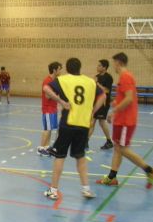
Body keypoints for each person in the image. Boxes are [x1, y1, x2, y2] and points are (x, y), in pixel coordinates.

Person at [43, 57, 106, 200]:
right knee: (80, 157)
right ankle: (86, 189)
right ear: (80, 67)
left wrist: (61, 101)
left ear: (67, 68)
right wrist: (92, 112)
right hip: (83, 125)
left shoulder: (64, 80)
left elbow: (46, 88)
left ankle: (53, 190)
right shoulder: (90, 81)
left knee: (60, 156)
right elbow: (103, 95)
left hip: (68, 123)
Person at [97, 52, 153, 188]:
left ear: (118, 63)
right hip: (121, 120)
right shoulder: (124, 77)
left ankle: (149, 170)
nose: (113, 66)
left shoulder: (126, 76)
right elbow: (124, 97)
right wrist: (115, 103)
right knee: (117, 148)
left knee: (122, 149)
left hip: (126, 120)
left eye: (114, 63)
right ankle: (112, 177)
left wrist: (113, 111)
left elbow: (129, 98)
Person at [87, 59, 114, 151]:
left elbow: (106, 90)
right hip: (96, 102)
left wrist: (97, 83)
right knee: (97, 122)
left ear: (104, 67)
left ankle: (86, 142)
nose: (97, 67)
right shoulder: (96, 76)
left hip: (103, 103)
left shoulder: (108, 77)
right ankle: (109, 141)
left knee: (96, 122)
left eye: (99, 65)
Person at [37, 61, 62, 157]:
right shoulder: (47, 81)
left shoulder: (55, 80)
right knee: (47, 128)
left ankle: (46, 147)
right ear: (54, 70)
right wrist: (58, 96)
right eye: (59, 69)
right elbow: (47, 96)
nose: (60, 71)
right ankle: (40, 148)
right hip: (47, 108)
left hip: (53, 108)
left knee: (50, 128)